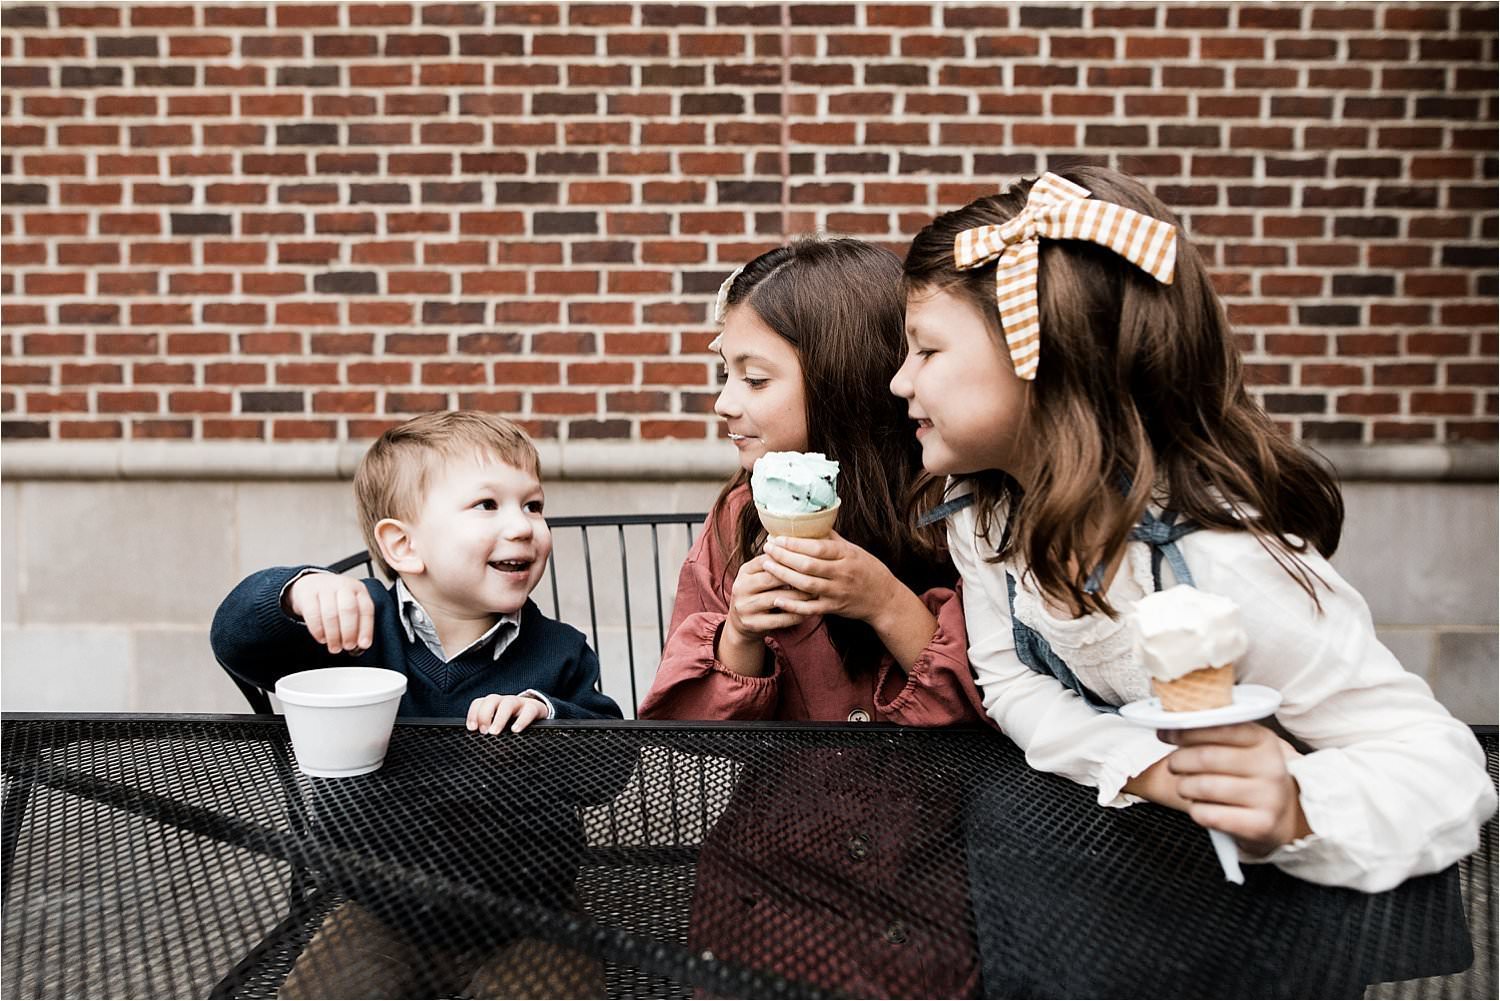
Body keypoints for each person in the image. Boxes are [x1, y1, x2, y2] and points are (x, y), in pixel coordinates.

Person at [892, 166, 1497, 895]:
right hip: (1122, 877)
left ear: (1045, 362)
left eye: (926, 350)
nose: (900, 381)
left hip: (1277, 913)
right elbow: (1010, 681)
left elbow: (1439, 765)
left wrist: (1293, 807)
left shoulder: (1219, 558)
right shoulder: (987, 512)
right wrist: (1148, 768)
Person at [638, 237, 990, 998]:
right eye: (723, 373)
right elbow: (688, 735)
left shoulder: (954, 515)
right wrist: (739, 641)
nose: (725, 401)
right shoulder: (738, 520)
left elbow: (999, 706)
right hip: (767, 894)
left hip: (922, 897)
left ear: (846, 382)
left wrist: (884, 602)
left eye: (753, 377)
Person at [211, 410, 620, 998]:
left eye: (533, 505)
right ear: (403, 544)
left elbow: (610, 764)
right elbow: (236, 641)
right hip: (376, 902)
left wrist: (550, 718)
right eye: (488, 506)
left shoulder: (557, 651)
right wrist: (295, 590)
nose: (525, 526)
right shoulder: (354, 632)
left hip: (532, 911)